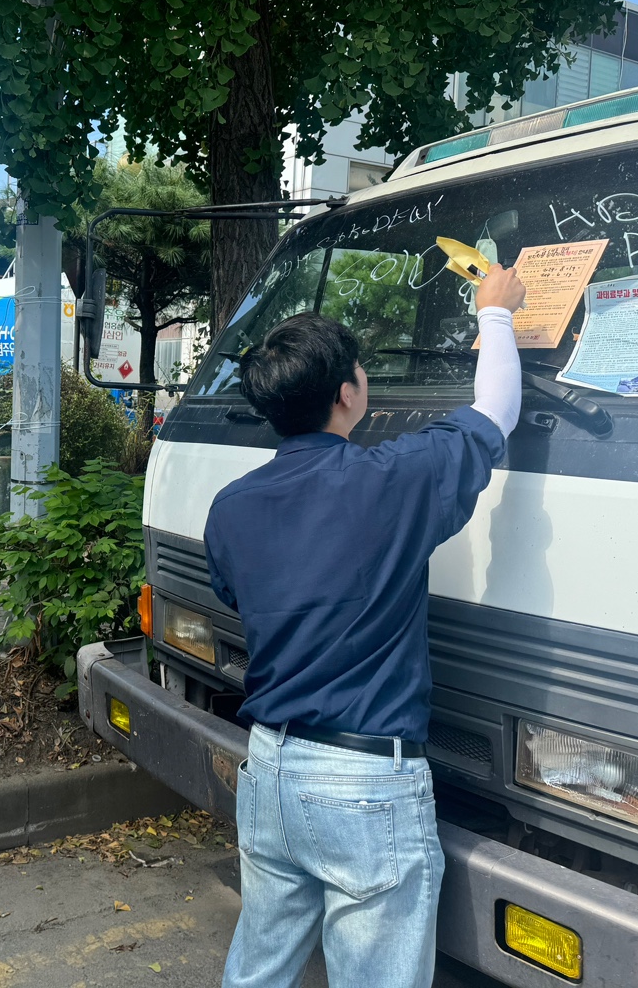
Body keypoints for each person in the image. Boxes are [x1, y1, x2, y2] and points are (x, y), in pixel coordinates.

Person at [206, 263, 527, 988]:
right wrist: (496, 312)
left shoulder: (231, 505)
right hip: (362, 785)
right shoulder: (393, 480)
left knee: (257, 968)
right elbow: (496, 410)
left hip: (270, 771)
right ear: (348, 392)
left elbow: (241, 594)